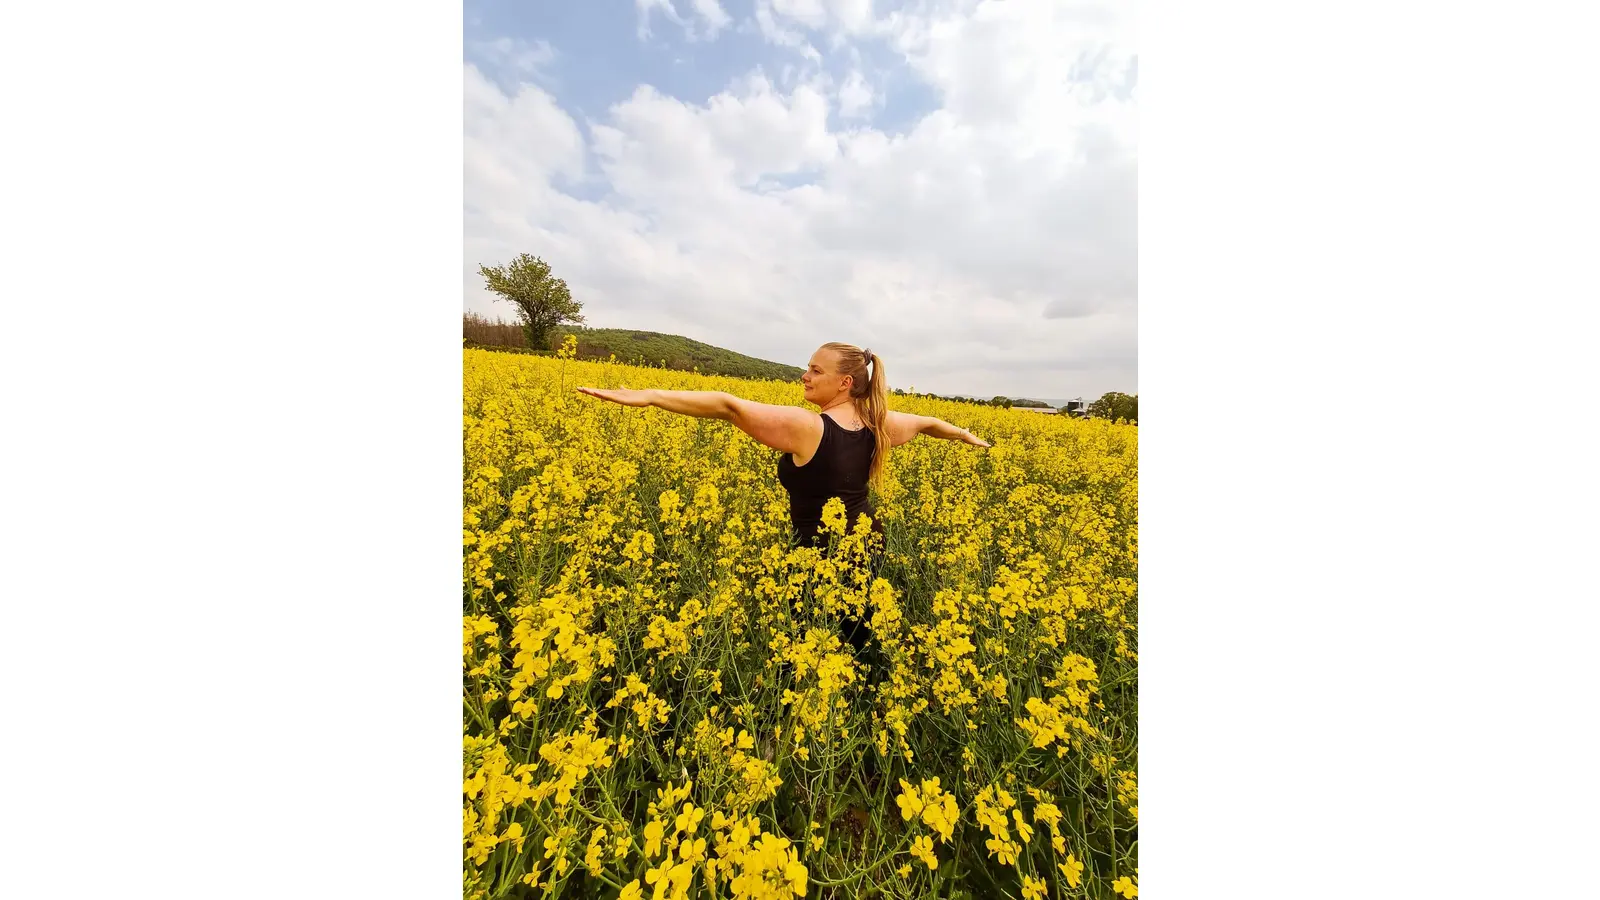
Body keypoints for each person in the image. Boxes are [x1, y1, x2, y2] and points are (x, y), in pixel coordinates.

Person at [575, 342, 991, 656]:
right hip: (868, 544)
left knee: (807, 647)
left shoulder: (807, 427)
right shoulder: (879, 423)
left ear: (844, 382)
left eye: (815, 370)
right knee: (856, 640)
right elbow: (930, 423)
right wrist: (967, 436)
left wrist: (649, 396)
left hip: (816, 556)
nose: (804, 376)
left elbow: (727, 406)